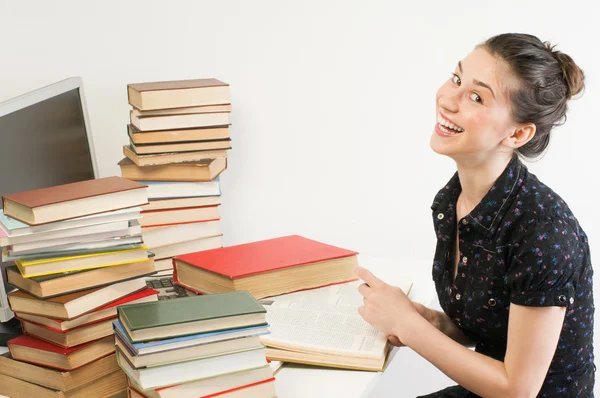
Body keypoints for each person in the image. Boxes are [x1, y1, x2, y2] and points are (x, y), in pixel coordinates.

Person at [356, 33, 594, 397]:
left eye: (477, 96)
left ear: (518, 133)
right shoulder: (453, 201)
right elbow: (492, 322)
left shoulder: (544, 232)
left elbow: (518, 390)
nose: (447, 100)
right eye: (456, 78)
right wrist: (432, 321)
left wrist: (408, 326)